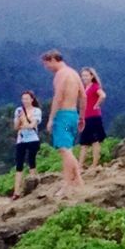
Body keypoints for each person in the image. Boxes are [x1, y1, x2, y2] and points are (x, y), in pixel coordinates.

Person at [41, 49, 85, 192]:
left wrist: (51, 118)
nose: (47, 68)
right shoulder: (74, 73)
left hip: (63, 116)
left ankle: (76, 180)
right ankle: (70, 182)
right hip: (73, 115)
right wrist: (82, 117)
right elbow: (83, 96)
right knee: (67, 148)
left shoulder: (60, 75)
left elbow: (58, 97)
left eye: (47, 65)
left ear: (53, 60)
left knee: (64, 149)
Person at [12, 89, 43, 199]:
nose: (24, 101)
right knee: (19, 164)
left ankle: (34, 184)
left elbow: (32, 125)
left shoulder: (36, 111)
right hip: (21, 139)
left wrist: (25, 120)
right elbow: (16, 127)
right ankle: (16, 191)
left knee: (32, 161)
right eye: (23, 99)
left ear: (32, 99)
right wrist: (19, 120)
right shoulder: (18, 110)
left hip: (33, 139)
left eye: (27, 99)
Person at [78, 67, 108, 170]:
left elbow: (103, 95)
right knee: (84, 142)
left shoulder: (95, 86)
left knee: (95, 141)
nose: (84, 77)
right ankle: (80, 166)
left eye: (86, 75)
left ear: (92, 76)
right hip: (85, 118)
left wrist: (96, 105)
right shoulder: (84, 88)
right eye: (83, 76)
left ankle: (94, 164)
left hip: (94, 117)